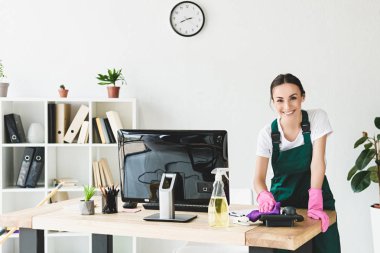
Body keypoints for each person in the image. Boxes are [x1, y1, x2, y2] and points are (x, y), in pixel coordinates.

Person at [253, 73, 341, 253]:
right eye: (279, 100)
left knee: (326, 248)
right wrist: (263, 194)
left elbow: (318, 163)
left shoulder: (317, 118)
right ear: (273, 102)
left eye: (293, 98)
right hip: (285, 204)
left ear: (303, 97)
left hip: (318, 200)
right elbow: (258, 178)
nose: (287, 106)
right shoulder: (267, 134)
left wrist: (315, 199)